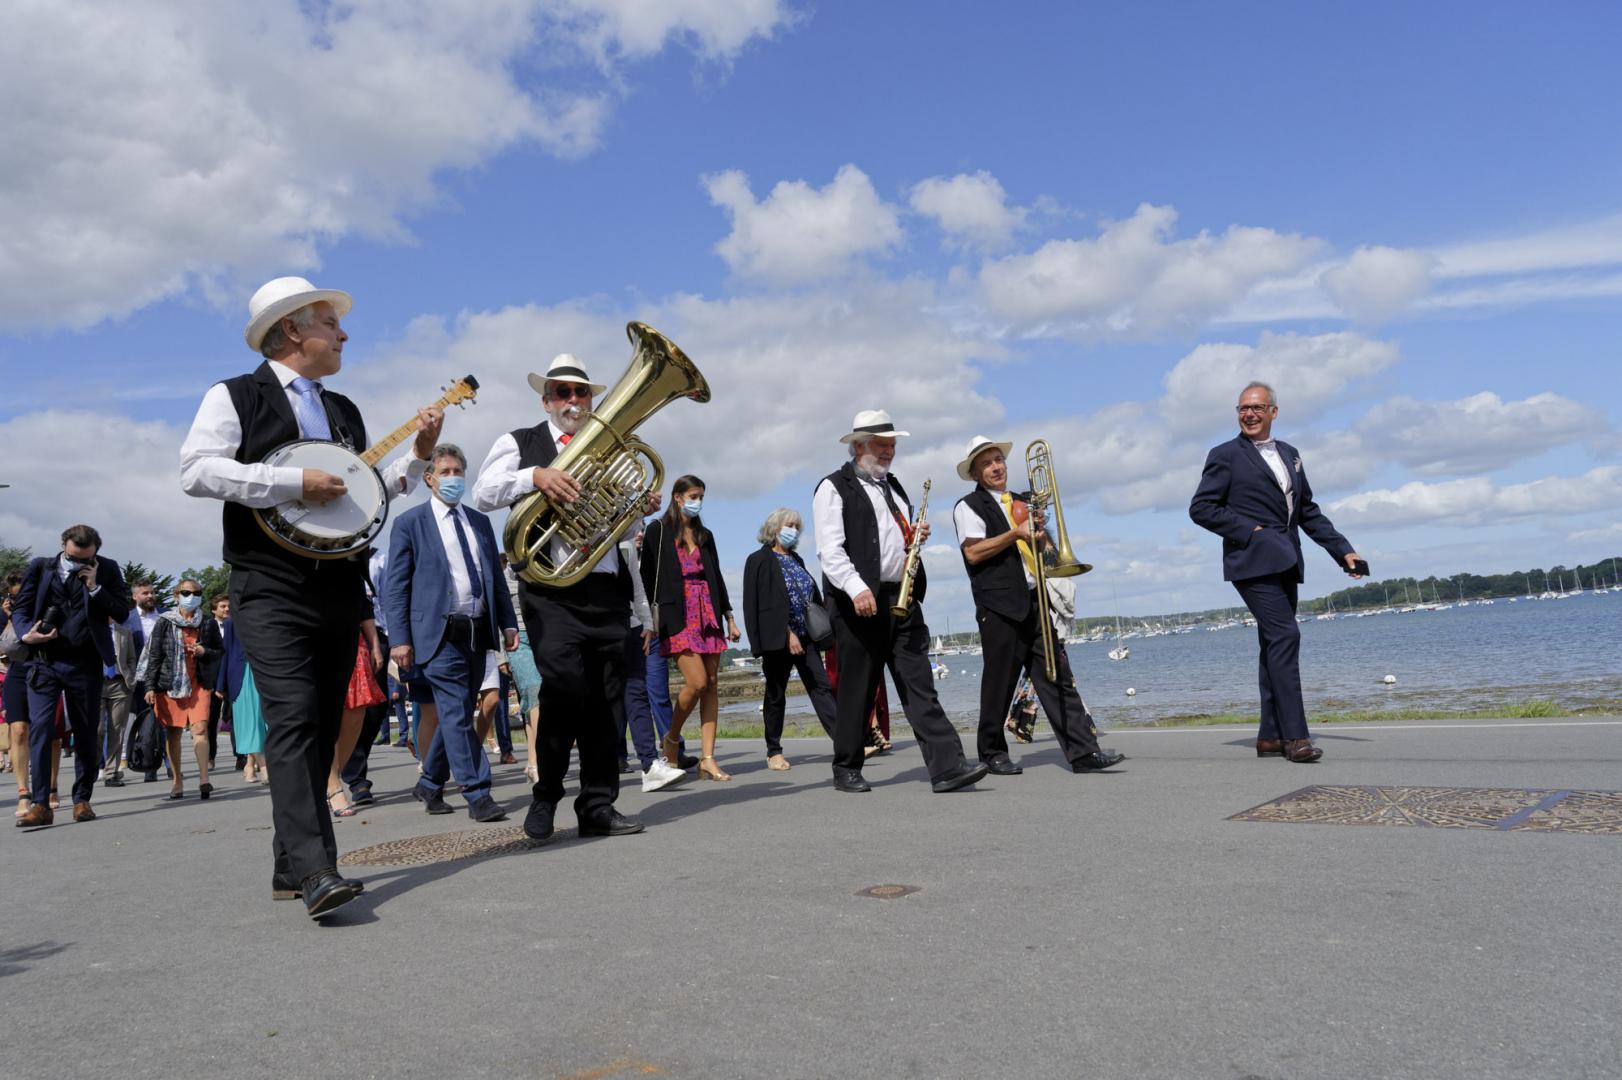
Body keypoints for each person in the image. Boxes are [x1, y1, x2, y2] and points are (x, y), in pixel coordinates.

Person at [180, 275, 441, 918]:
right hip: (268, 583)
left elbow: (364, 492)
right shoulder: (235, 395)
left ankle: (287, 865)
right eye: (331, 323)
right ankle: (320, 870)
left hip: (338, 586)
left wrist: (417, 459)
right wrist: (292, 480)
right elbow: (196, 469)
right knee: (294, 715)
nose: (344, 332)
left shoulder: (344, 409)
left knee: (324, 723)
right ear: (293, 328)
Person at [471, 353, 658, 842]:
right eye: (562, 392)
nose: (573, 401)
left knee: (606, 701)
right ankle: (545, 796)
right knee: (563, 689)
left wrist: (638, 506)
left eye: (581, 392)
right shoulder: (520, 442)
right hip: (551, 590)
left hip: (605, 588)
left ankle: (597, 805)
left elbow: (623, 525)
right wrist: (534, 477)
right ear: (546, 399)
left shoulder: (613, 449)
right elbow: (484, 492)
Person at [811, 410, 986, 794]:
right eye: (881, 445)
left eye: (892, 445)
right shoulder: (832, 487)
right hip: (858, 600)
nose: (889, 452)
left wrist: (914, 533)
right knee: (858, 687)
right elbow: (830, 551)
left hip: (901, 598)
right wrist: (856, 588)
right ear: (859, 446)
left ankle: (948, 767)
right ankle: (846, 767)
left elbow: (892, 540)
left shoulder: (895, 487)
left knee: (920, 683)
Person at [1189, 381, 1363, 763]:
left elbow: (1307, 512)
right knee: (1286, 636)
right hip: (1250, 563)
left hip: (1288, 561)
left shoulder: (1290, 454)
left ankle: (1269, 736)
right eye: (1242, 409)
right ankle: (1296, 737)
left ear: (1273, 412)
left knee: (1273, 645)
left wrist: (1343, 551)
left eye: (1256, 408)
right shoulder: (1225, 455)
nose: (1248, 414)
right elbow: (1201, 508)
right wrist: (1249, 532)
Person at [951, 436, 1124, 775]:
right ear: (974, 472)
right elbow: (973, 552)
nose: (996, 467)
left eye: (998, 459)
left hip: (1034, 600)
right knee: (999, 683)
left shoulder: (1021, 501)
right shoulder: (967, 506)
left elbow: (1043, 553)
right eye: (986, 463)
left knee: (1057, 677)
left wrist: (1042, 535)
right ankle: (991, 752)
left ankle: (1083, 752)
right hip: (998, 606)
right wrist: (1016, 533)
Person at [387, 444, 519, 822]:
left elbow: (493, 577)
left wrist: (507, 621)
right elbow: (396, 587)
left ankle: (429, 782)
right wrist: (399, 638)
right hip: (436, 634)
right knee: (456, 712)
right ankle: (478, 792)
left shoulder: (479, 522)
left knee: (458, 710)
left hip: (477, 631)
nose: (453, 479)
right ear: (428, 477)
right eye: (444, 472)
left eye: (458, 471)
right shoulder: (410, 524)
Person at [12, 524, 133, 827]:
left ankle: (82, 799)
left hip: (86, 663)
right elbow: (21, 609)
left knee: (86, 730)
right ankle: (41, 804)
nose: (81, 564)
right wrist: (27, 634)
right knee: (40, 729)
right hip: (45, 662)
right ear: (63, 545)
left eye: (87, 559)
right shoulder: (41, 567)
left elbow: (121, 612)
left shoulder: (106, 569)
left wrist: (95, 587)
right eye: (75, 558)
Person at [642, 475, 740, 781]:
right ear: (678, 497)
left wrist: (729, 616)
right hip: (677, 613)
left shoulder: (705, 534)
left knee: (711, 683)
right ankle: (671, 738)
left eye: (702, 496)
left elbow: (717, 575)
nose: (698, 501)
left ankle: (708, 759)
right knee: (696, 682)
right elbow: (646, 578)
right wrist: (648, 621)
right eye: (694, 495)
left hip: (707, 610)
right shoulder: (658, 531)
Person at [741, 507, 837, 769]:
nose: (793, 530)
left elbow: (809, 599)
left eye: (796, 526)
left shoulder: (796, 559)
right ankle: (774, 751)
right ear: (774, 528)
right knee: (776, 694)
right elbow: (757, 605)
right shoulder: (758, 560)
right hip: (778, 640)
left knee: (821, 687)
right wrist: (786, 633)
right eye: (789, 525)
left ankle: (844, 742)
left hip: (806, 638)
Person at [136, 579, 224, 800]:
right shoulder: (165, 622)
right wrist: (149, 686)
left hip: (199, 683)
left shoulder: (207, 622)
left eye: (196, 592)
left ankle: (204, 779)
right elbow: (155, 655)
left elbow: (218, 651)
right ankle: (177, 781)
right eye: (186, 592)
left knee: (201, 729)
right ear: (177, 595)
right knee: (173, 733)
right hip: (169, 685)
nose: (191, 596)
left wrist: (205, 651)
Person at [619, 520, 688, 792]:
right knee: (611, 699)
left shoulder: (639, 554)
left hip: (638, 626)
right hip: (604, 624)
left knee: (643, 693)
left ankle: (653, 762)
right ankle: (615, 758)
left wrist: (647, 623)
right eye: (633, 526)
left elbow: (638, 588)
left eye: (641, 527)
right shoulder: (608, 545)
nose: (638, 533)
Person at [324, 615, 383, 817]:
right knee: (328, 715)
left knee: (357, 711)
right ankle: (333, 787)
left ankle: (330, 775)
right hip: (315, 635)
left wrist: (375, 646)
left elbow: (363, 608)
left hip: (351, 637)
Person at [216, 603, 267, 783]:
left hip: (263, 673)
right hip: (239, 676)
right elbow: (225, 652)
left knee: (260, 721)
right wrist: (220, 684)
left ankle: (249, 766)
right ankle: (263, 765)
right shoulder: (231, 622)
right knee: (247, 722)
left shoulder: (267, 617)